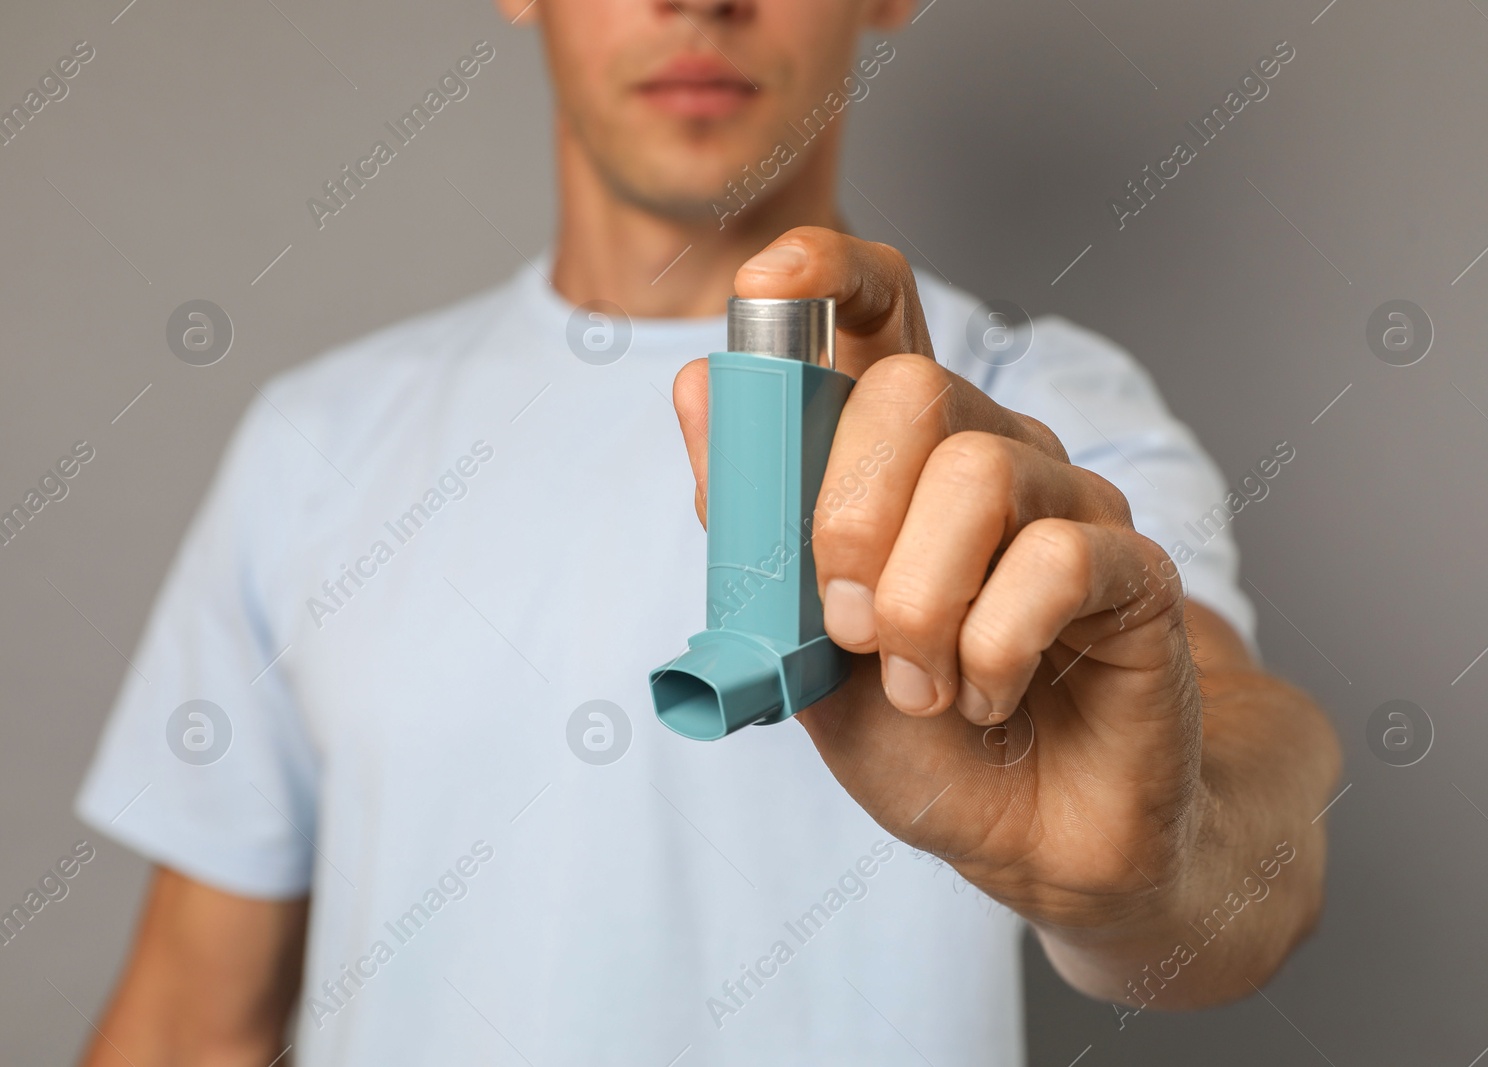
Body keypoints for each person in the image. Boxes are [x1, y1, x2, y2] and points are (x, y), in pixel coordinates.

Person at [75, 1, 1341, 1063]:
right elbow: (190, 1024)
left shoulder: (1042, 418)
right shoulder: (319, 442)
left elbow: (1253, 801)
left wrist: (1141, 869)